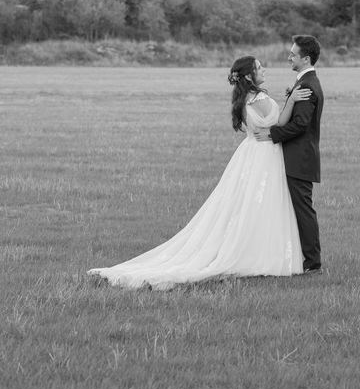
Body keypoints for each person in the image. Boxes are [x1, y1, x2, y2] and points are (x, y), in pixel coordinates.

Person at [88, 56, 312, 290]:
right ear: (249, 76)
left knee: (245, 203)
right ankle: (260, 254)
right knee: (262, 203)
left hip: (250, 152)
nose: (263, 69)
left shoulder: (243, 98)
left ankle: (254, 248)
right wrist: (292, 101)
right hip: (264, 153)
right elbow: (280, 125)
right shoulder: (261, 98)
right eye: (258, 67)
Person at [254, 35, 324, 274]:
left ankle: (313, 264)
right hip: (298, 157)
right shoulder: (304, 82)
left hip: (299, 159)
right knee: (299, 209)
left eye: (293, 54)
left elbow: (301, 124)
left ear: (305, 59)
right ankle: (300, 259)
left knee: (303, 211)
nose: (289, 57)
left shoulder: (307, 85)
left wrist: (273, 134)